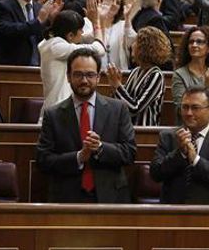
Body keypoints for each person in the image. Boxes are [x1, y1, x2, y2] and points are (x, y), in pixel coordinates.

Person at [36, 48, 137, 203]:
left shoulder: (118, 109)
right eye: (78, 74)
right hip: (66, 199)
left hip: (110, 197)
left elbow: (130, 153)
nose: (84, 80)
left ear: (98, 77)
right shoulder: (53, 114)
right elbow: (44, 160)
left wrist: (101, 148)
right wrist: (79, 157)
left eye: (90, 75)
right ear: (68, 77)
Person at [150, 86, 209, 204]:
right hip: (171, 212)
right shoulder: (168, 136)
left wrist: (196, 160)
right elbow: (156, 174)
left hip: (207, 214)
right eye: (185, 107)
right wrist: (180, 153)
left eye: (195, 108)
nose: (188, 113)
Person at [39, 6, 106, 111]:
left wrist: (96, 20)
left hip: (59, 107)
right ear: (70, 35)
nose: (82, 33)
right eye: (80, 30)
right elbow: (99, 49)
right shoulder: (57, 47)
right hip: (58, 110)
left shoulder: (50, 42)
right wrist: (96, 22)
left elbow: (87, 38)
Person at [108, 26, 172, 126]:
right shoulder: (135, 71)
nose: (132, 45)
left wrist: (117, 85)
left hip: (144, 133)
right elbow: (122, 104)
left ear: (145, 48)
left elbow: (135, 108)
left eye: (136, 42)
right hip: (127, 129)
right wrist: (115, 86)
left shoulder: (155, 75)